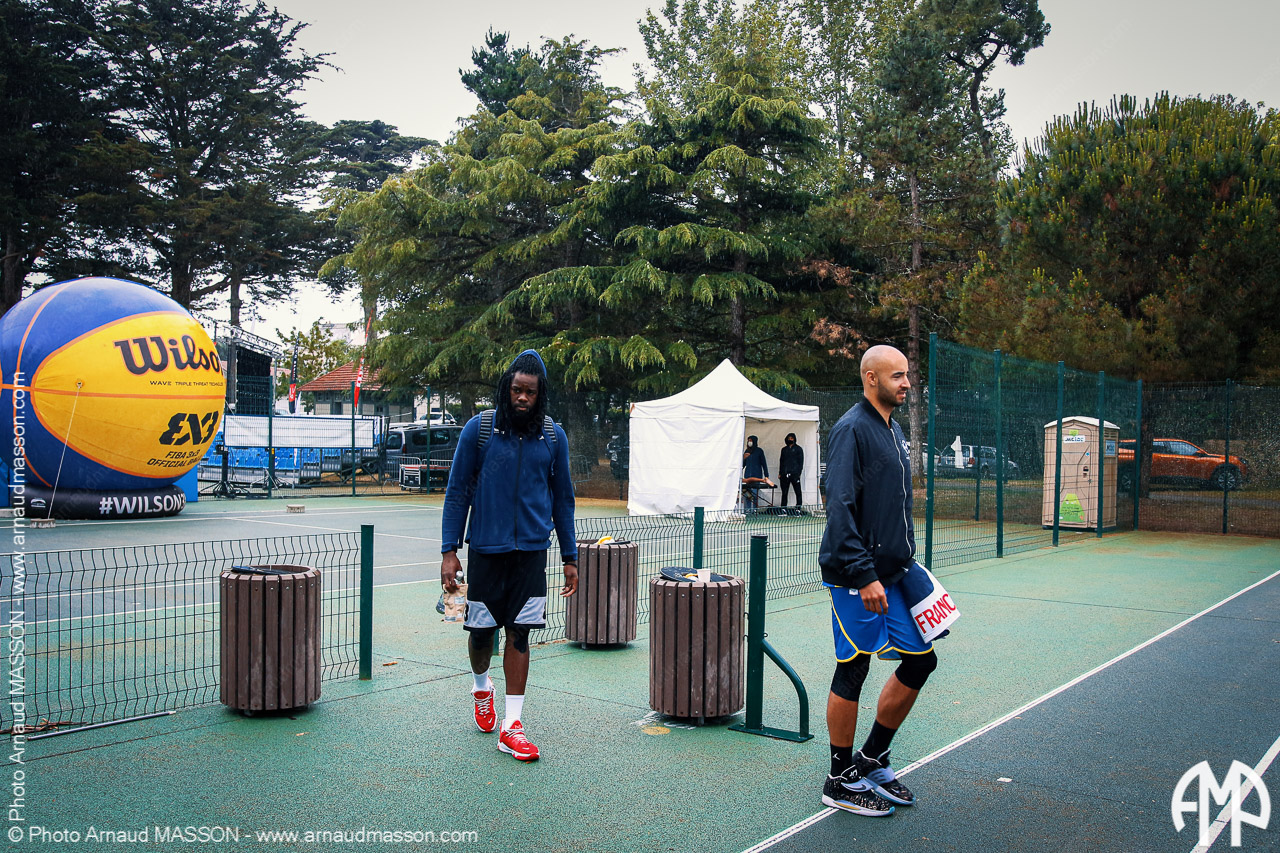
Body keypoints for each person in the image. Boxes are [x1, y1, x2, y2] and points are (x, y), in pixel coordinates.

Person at [817, 345, 939, 816]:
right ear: (871, 378)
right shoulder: (851, 429)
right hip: (856, 576)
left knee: (921, 661)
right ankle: (839, 779)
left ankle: (871, 758)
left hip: (896, 574)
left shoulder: (894, 429)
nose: (907, 383)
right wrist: (864, 574)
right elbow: (839, 506)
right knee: (854, 666)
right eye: (897, 376)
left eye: (907, 375)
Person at [440, 350, 578, 762]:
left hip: (531, 555)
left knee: (520, 633)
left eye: (530, 392)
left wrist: (570, 557)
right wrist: (449, 550)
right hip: (486, 551)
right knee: (482, 633)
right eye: (517, 389)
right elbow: (458, 491)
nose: (522, 398)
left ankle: (512, 726)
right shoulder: (479, 430)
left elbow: (563, 500)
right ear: (506, 388)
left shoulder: (553, 437)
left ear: (540, 395)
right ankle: (482, 688)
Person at [741, 435, 769, 510]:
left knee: (755, 494)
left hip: (757, 476)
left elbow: (764, 464)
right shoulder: (747, 451)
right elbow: (742, 465)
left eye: (751, 440)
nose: (749, 442)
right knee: (747, 494)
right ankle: (748, 510)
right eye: (748, 440)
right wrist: (743, 458)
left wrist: (766, 475)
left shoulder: (759, 451)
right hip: (748, 476)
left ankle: (754, 510)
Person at [778, 432, 803, 509]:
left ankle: (798, 508)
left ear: (794, 439)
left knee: (798, 492)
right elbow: (781, 461)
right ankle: (783, 508)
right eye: (789, 438)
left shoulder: (798, 449)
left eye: (791, 438)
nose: (790, 440)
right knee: (784, 492)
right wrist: (780, 473)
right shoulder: (784, 449)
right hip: (785, 473)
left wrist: (798, 473)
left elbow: (801, 462)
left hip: (795, 474)